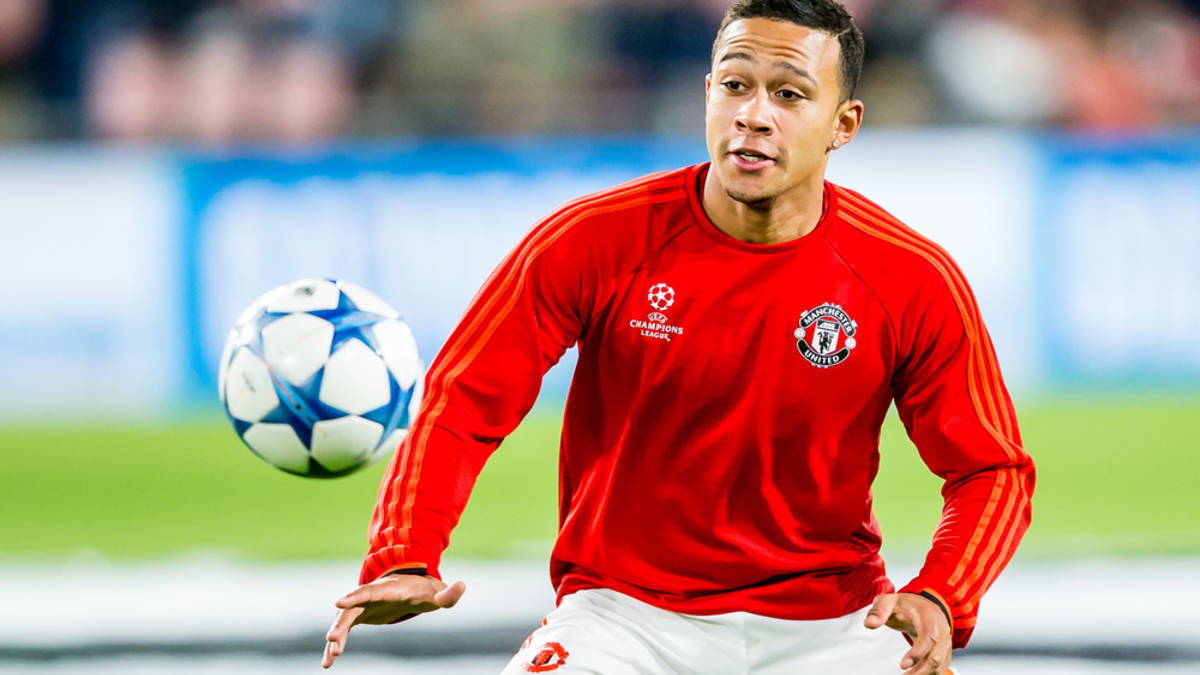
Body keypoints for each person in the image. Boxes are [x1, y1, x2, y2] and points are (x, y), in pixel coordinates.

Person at [323, 1, 1035, 673]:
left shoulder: (909, 277)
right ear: (707, 94)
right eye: (735, 85)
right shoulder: (592, 240)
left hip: (834, 626)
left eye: (789, 95)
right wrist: (405, 552)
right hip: (623, 619)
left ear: (842, 124)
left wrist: (942, 592)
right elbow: (462, 400)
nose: (753, 115)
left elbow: (991, 469)